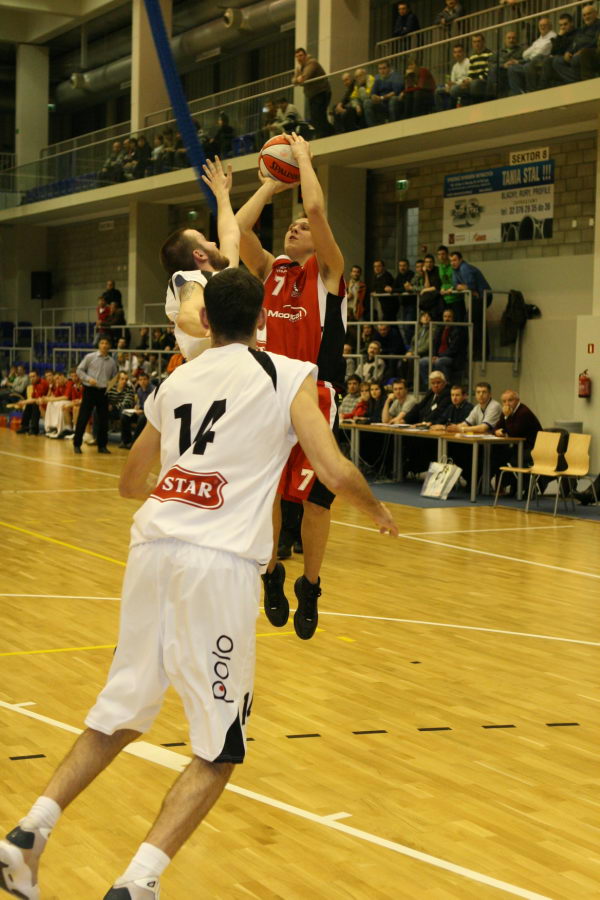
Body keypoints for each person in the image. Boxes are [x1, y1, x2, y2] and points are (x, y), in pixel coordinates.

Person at [0, 267, 397, 900]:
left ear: (205, 320)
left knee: (120, 713)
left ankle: (28, 834)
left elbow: (130, 483)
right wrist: (375, 509)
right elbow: (332, 468)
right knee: (220, 749)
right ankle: (138, 883)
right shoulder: (286, 374)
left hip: (151, 550)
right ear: (263, 319)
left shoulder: (176, 379)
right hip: (217, 565)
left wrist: (187, 490)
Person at [235, 132, 346, 640]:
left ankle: (311, 585)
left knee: (317, 502)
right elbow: (239, 229)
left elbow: (317, 210)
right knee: (271, 499)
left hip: (315, 397)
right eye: (291, 224)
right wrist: (269, 186)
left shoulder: (328, 273)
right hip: (268, 398)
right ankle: (273, 573)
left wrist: (301, 161)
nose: (296, 226)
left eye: (303, 227)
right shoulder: (270, 269)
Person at [161, 157, 239, 361]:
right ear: (199, 254)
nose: (213, 242)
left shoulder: (223, 276)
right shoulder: (190, 278)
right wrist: (231, 332)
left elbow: (230, 235)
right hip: (213, 374)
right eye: (205, 240)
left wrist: (222, 195)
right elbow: (188, 317)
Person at [72, 338, 119, 455]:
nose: (104, 345)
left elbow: (114, 377)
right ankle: (77, 444)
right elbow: (79, 370)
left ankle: (102, 446)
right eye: (102, 343)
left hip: (103, 392)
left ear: (109, 346)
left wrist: (111, 385)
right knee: (83, 417)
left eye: (106, 343)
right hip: (90, 390)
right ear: (99, 345)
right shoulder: (90, 357)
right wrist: (88, 379)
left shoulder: (112, 362)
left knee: (103, 419)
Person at [492, 388, 542, 491]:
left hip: (533, 447)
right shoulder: (507, 411)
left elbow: (514, 433)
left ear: (517, 400)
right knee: (497, 454)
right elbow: (497, 427)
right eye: (504, 401)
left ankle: (526, 488)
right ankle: (505, 487)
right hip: (519, 446)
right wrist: (496, 431)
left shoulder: (524, 412)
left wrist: (507, 417)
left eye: (510, 400)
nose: (507, 404)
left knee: (513, 459)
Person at [450, 250, 491, 358]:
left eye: (455, 260)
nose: (453, 263)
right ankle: (480, 352)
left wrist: (466, 288)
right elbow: (455, 285)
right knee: (475, 322)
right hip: (475, 297)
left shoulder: (465, 268)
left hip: (483, 296)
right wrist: (464, 287)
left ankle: (480, 352)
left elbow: (471, 285)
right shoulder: (455, 270)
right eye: (451, 261)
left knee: (472, 322)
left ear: (460, 260)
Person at [507, 17, 556, 94]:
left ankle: (531, 91)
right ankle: (518, 93)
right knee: (512, 68)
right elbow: (524, 54)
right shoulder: (539, 39)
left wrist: (533, 52)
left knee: (528, 65)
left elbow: (542, 52)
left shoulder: (553, 36)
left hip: (542, 62)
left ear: (550, 26)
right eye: (540, 25)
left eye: (544, 25)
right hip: (531, 61)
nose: (542, 27)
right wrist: (533, 53)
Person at [419, 307, 467, 386]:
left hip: (452, 357)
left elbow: (453, 349)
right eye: (445, 316)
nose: (447, 319)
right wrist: (433, 355)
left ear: (453, 318)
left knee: (440, 362)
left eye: (449, 317)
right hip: (438, 356)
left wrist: (439, 356)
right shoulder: (440, 329)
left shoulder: (457, 330)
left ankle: (445, 385)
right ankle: (428, 385)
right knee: (422, 362)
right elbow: (434, 344)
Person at [553, 4, 600, 83]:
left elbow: (595, 41)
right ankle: (576, 80)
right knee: (557, 61)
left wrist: (582, 50)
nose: (586, 17)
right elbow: (575, 42)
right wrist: (568, 51)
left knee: (576, 59)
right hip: (576, 53)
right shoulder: (582, 28)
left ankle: (578, 81)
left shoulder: (598, 25)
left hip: (589, 52)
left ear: (596, 13)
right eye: (584, 15)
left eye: (589, 14)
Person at [292, 47, 331, 138]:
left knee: (319, 116)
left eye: (301, 55)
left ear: (305, 55)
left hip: (321, 92)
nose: (299, 58)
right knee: (315, 117)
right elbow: (293, 81)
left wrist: (298, 78)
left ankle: (326, 134)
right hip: (313, 95)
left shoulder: (312, 62)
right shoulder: (300, 68)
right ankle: (325, 134)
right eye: (297, 56)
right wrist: (298, 78)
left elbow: (304, 77)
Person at [363, 61, 403, 127]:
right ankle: (373, 127)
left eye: (384, 68)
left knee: (393, 99)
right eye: (380, 69)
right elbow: (373, 92)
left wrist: (382, 98)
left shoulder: (396, 76)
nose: (382, 71)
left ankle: (393, 125)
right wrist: (374, 97)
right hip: (381, 104)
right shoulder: (378, 78)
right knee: (367, 102)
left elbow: (396, 91)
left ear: (389, 68)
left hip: (392, 100)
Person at [457, 33, 493, 104]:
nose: (477, 44)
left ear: (483, 42)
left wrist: (473, 80)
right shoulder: (472, 57)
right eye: (474, 42)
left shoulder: (489, 54)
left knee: (474, 84)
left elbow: (488, 72)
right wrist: (467, 80)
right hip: (474, 81)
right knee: (455, 89)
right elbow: (471, 73)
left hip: (484, 81)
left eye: (478, 41)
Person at [487, 30, 523, 97]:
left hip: (514, 74)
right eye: (509, 38)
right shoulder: (499, 52)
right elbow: (490, 64)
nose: (511, 40)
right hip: (501, 75)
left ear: (517, 40)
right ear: (505, 40)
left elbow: (526, 61)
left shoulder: (522, 50)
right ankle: (493, 95)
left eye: (513, 38)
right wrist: (503, 65)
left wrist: (516, 62)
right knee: (493, 70)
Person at [435, 44, 470, 110]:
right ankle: (440, 112)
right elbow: (452, 80)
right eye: (455, 52)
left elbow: (468, 78)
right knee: (438, 90)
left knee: (453, 89)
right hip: (455, 86)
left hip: (464, 85)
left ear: (463, 52)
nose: (457, 54)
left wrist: (454, 84)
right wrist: (448, 85)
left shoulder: (468, 62)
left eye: (459, 52)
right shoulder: (455, 66)